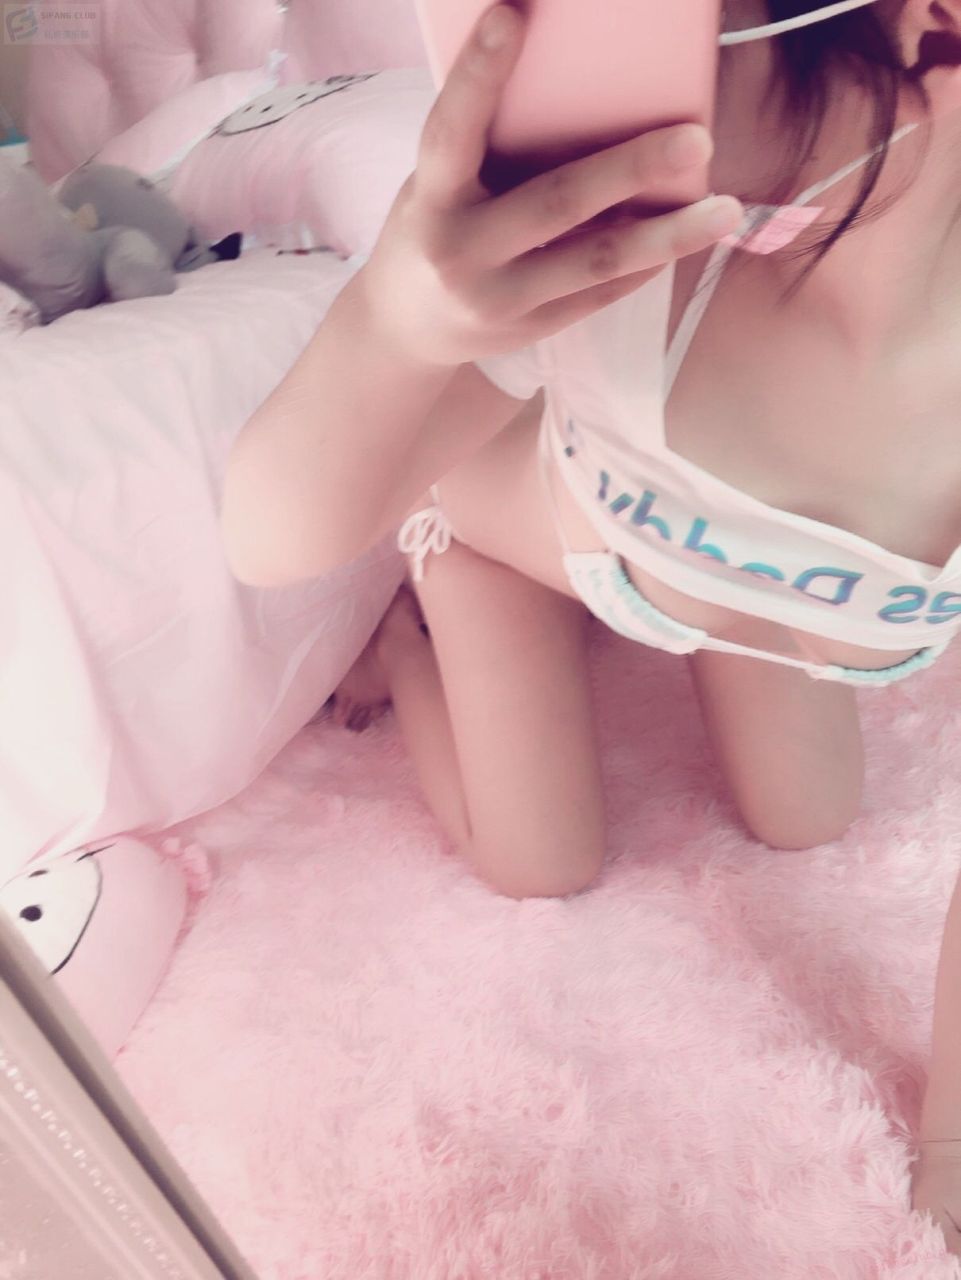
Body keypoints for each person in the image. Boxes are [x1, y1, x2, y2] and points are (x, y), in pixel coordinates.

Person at [222, 0, 961, 1254]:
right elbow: (269, 537)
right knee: (539, 861)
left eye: (605, 22)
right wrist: (393, 325)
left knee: (809, 812)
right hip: (535, 534)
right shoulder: (611, 254)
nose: (530, 89)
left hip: (734, 585)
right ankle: (416, 626)